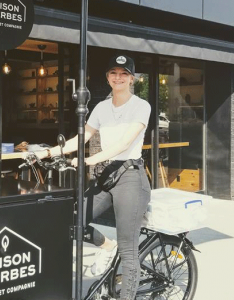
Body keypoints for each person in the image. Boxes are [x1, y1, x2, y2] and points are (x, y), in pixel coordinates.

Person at [30, 54, 151, 300]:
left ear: (132, 79)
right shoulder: (101, 107)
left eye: (124, 73)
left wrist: (90, 160)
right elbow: (80, 138)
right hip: (107, 176)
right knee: (74, 221)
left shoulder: (141, 106)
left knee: (129, 251)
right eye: (114, 73)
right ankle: (108, 247)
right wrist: (45, 153)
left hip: (131, 177)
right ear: (107, 78)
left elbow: (124, 143)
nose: (119, 77)